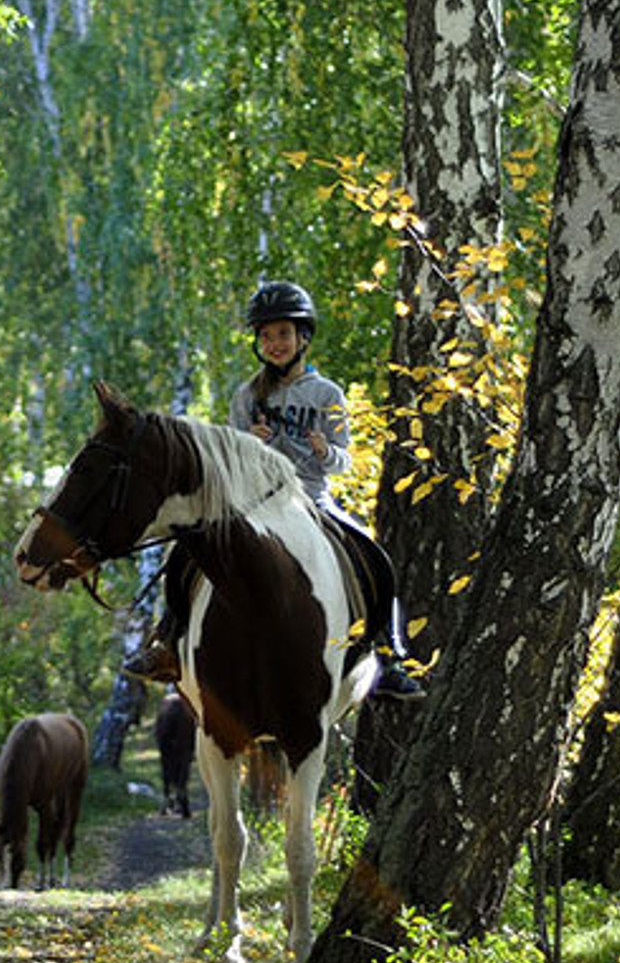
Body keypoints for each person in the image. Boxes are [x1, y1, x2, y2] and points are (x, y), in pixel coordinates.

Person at [123, 280, 425, 702]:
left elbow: (345, 461)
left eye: (283, 333)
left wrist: (325, 451)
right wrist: (251, 444)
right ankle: (168, 639)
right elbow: (228, 464)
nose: (274, 343)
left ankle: (388, 656)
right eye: (266, 336)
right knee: (189, 546)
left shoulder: (326, 394)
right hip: (254, 504)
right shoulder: (247, 395)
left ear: (303, 337)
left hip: (311, 499)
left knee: (371, 555)